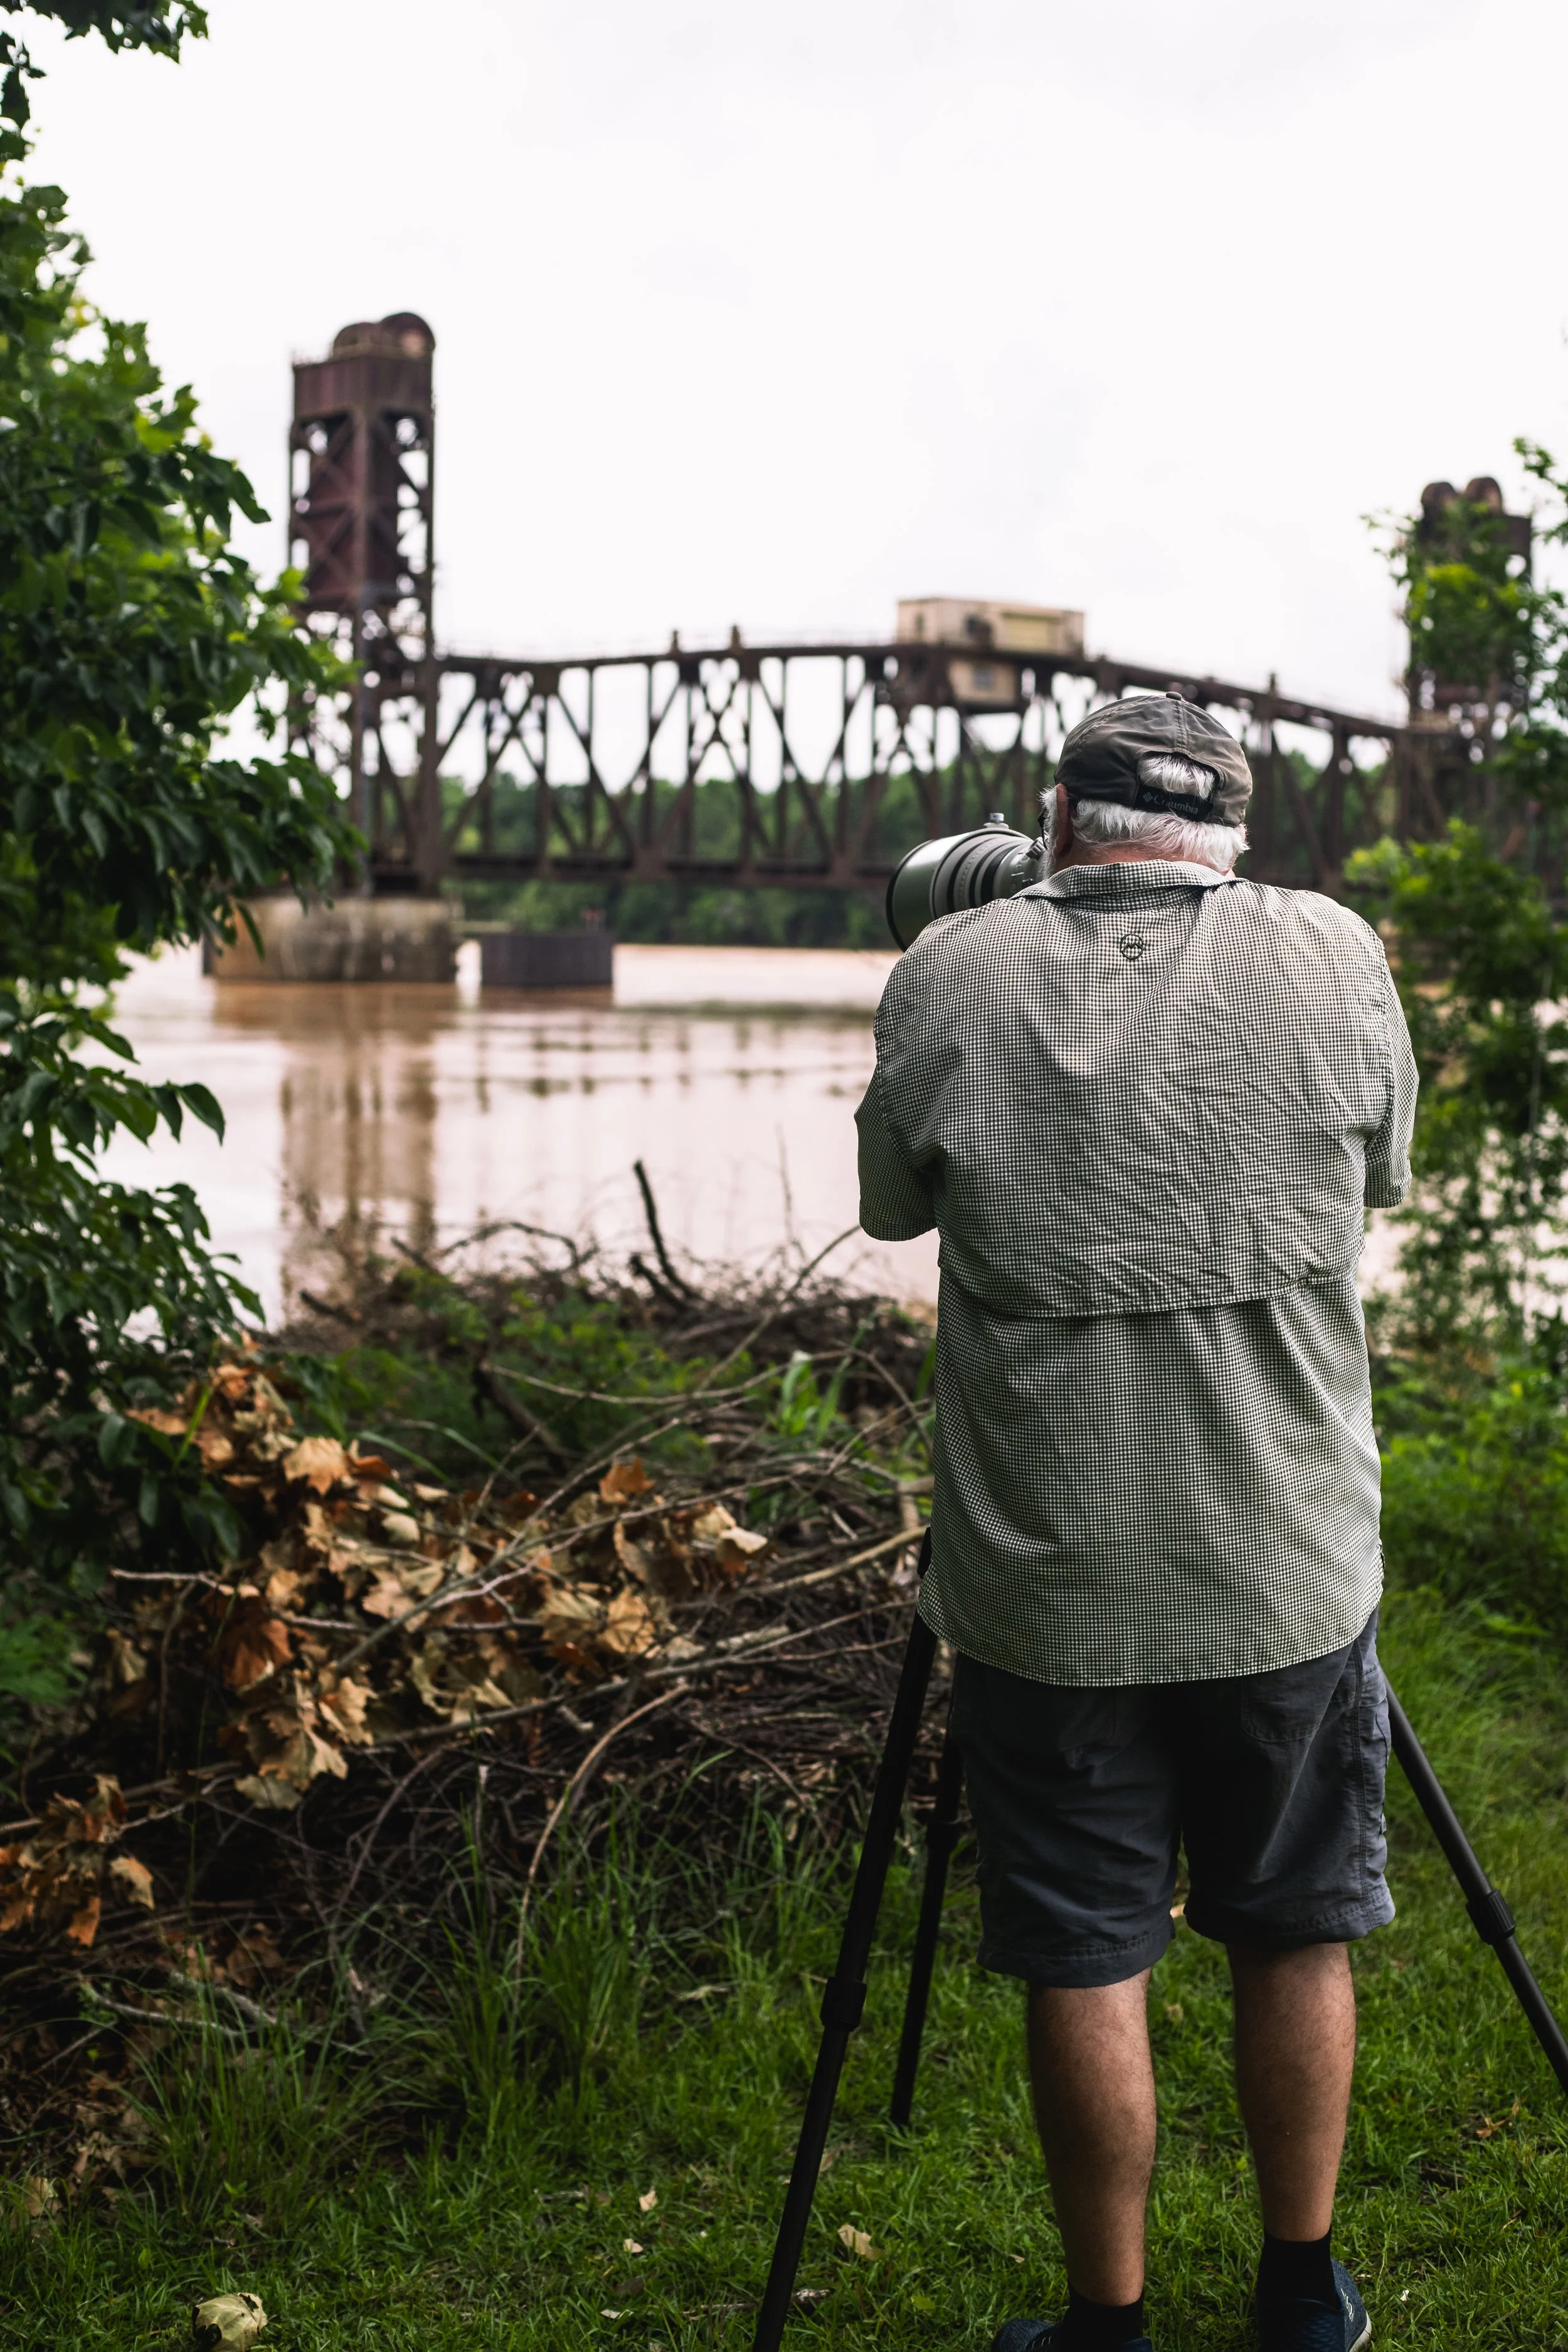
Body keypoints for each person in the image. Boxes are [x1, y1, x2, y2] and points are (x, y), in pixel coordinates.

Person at [856, 694, 1417, 2352]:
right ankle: (1298, 2289)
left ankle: (1108, 2322)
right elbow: (1378, 1169)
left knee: (1086, 1948)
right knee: (1293, 1916)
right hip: (1281, 1561)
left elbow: (894, 1201)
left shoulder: (944, 973)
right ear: (1230, 830)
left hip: (1045, 1573)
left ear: (1056, 818)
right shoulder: (1331, 957)